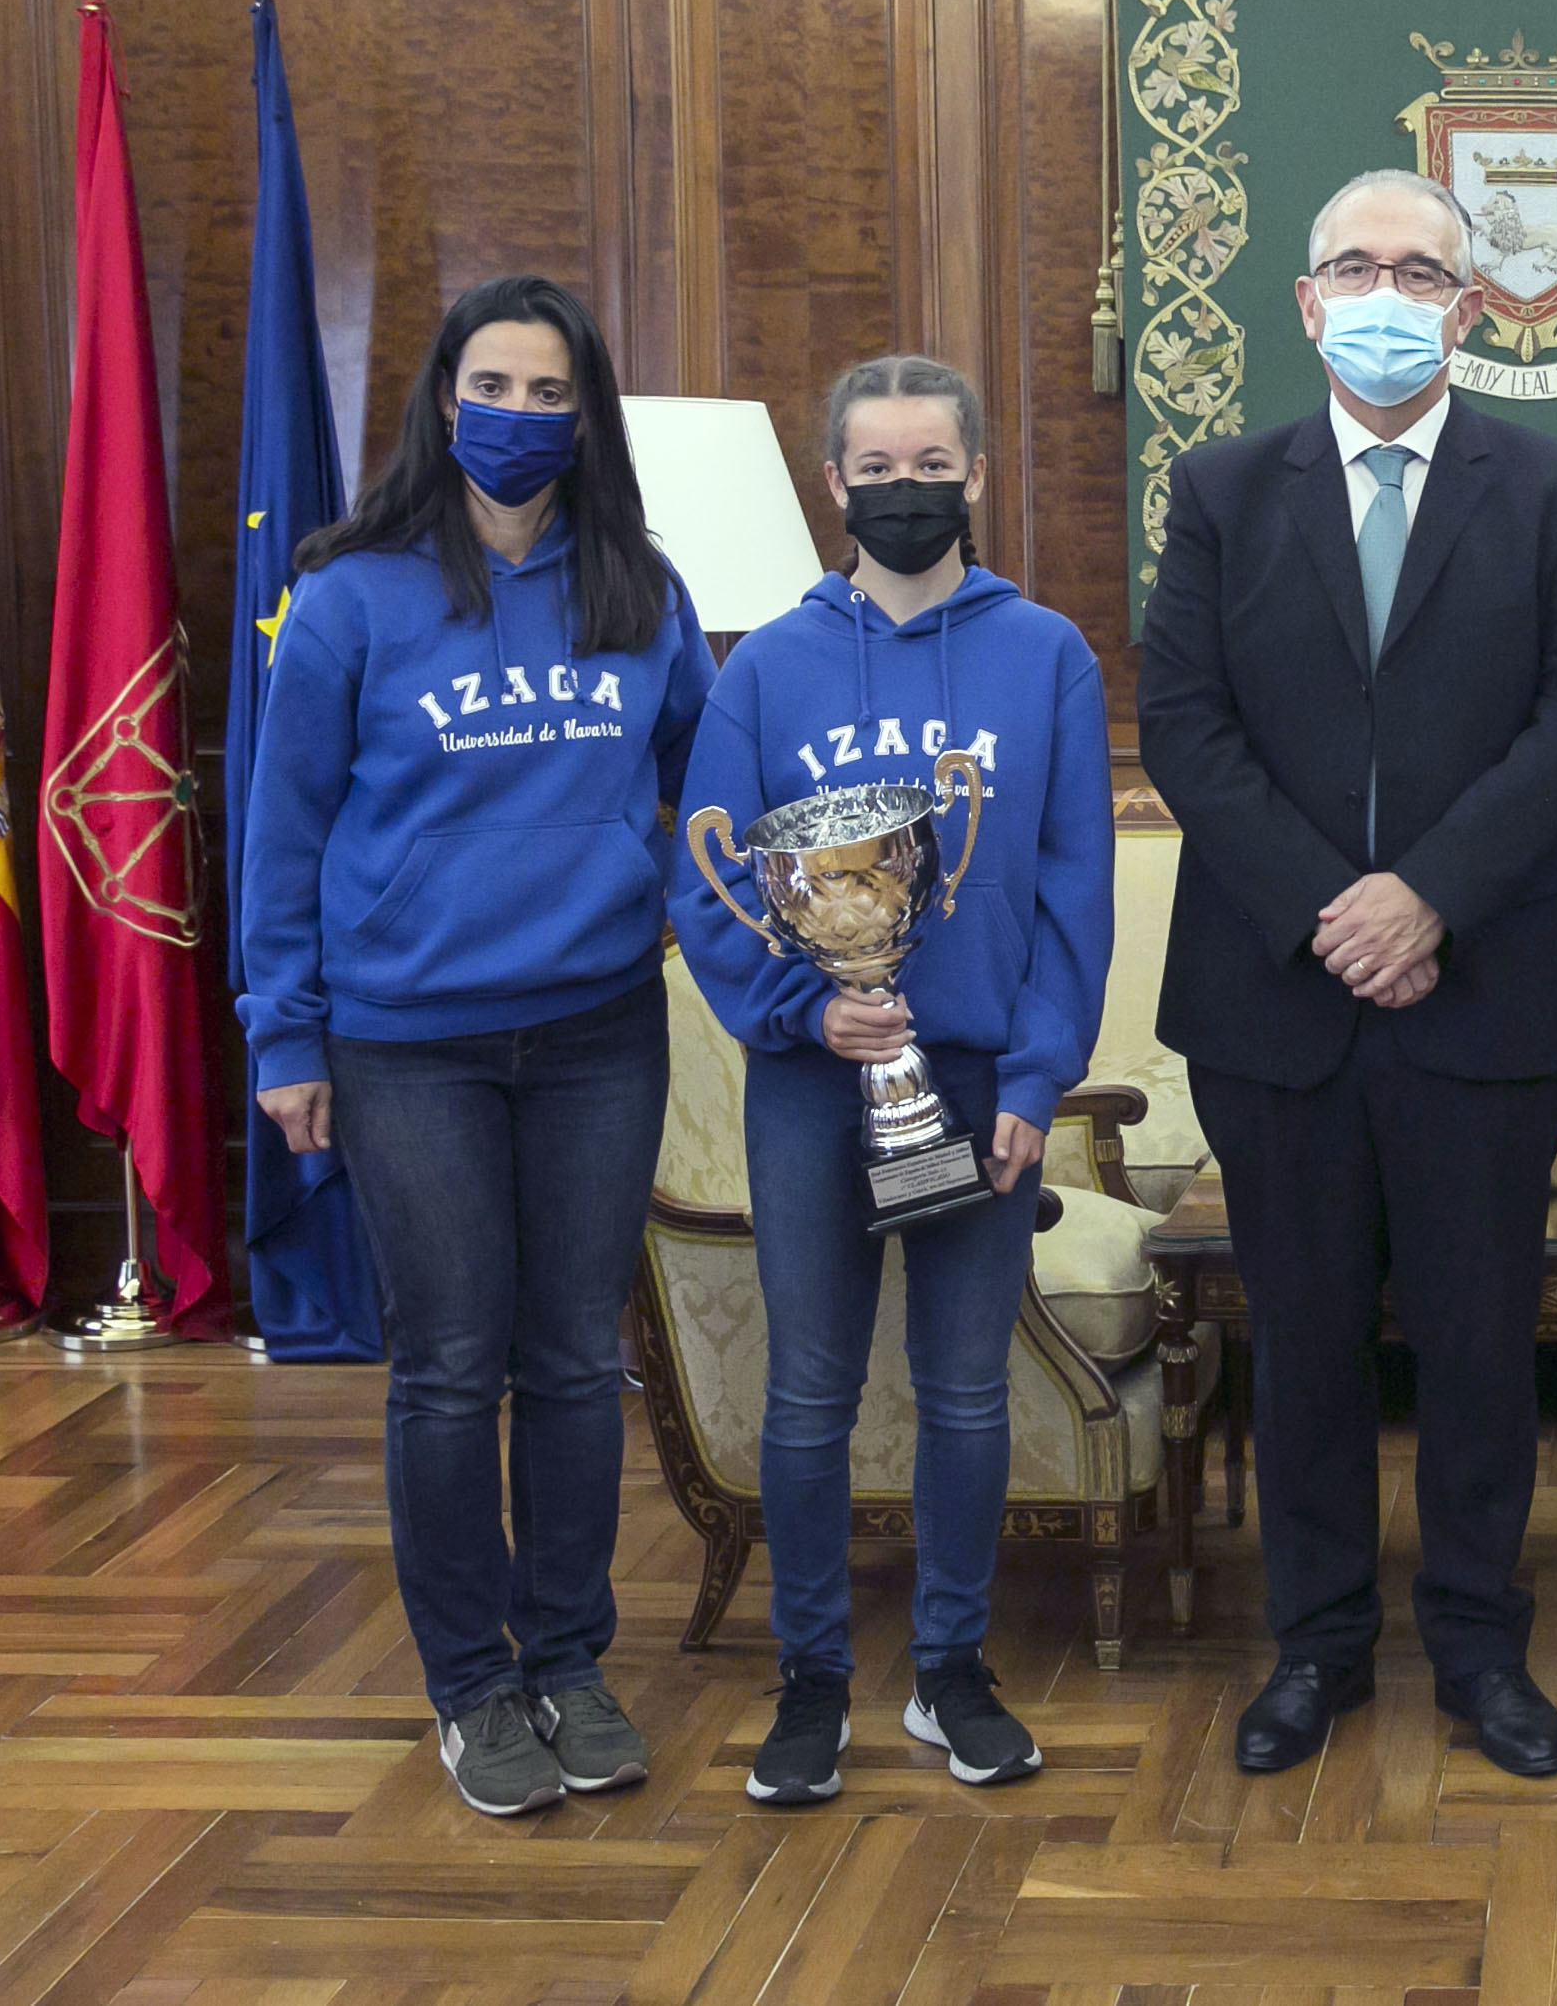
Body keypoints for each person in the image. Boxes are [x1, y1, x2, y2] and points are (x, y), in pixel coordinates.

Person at [1137, 169, 1557, 1780]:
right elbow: (1184, 725)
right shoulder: (1220, 490)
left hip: (1488, 985)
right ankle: (1319, 1646)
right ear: (1306, 302)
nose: (1387, 294)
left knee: (1483, 1347)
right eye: (1355, 265)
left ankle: (1482, 1649)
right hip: (1271, 993)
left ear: (1471, 308)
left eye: (1421, 272)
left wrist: (1426, 899)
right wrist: (1330, 911)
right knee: (1304, 1339)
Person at [237, 274, 713, 1817]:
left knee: (574, 1359)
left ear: (587, 414)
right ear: (445, 399)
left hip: (596, 1032)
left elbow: (711, 781)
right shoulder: (351, 595)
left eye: (549, 391)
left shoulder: (639, 586)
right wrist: (284, 1034)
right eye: (491, 386)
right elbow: (283, 830)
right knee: (449, 1366)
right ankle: (471, 1684)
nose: (518, 413)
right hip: (407, 1044)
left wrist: (666, 887)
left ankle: (568, 1660)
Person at [674, 355, 1114, 1807]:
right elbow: (710, 878)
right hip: (817, 1084)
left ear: (976, 475)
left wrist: (1040, 1076)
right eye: (877, 469)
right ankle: (811, 1681)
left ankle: (951, 1671)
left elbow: (1073, 888)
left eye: (932, 466)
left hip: (980, 1080)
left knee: (966, 1392)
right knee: (809, 1392)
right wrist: (806, 1009)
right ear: (836, 483)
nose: (905, 490)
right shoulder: (765, 666)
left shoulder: (1046, 654)